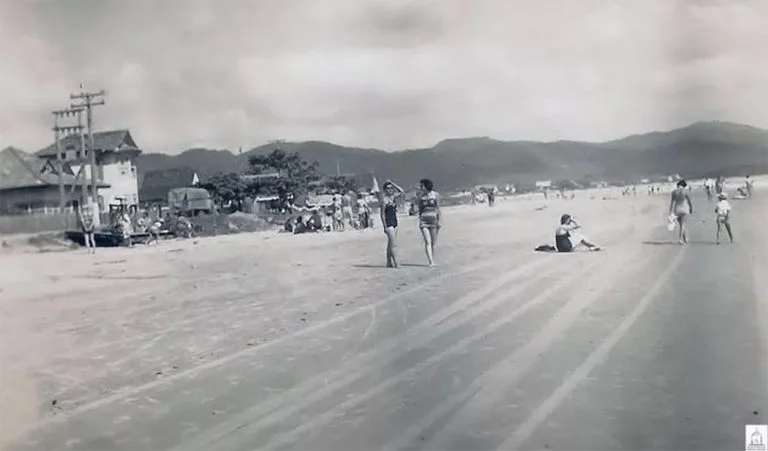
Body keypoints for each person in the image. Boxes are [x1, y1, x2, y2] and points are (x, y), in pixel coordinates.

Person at [375, 179, 405, 268]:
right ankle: (396, 263)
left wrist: (393, 183)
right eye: (388, 188)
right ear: (385, 190)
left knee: (391, 243)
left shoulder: (393, 198)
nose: (390, 190)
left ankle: (388, 262)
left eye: (391, 188)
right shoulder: (384, 200)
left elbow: (402, 192)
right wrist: (384, 226)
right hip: (388, 223)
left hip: (395, 221)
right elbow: (382, 213)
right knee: (394, 243)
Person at [417, 178, 441, 266]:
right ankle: (431, 261)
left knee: (433, 242)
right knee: (428, 241)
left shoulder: (435, 195)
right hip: (424, 221)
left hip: (434, 220)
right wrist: (420, 219)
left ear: (426, 186)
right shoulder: (420, 197)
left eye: (421, 186)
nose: (420, 188)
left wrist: (439, 221)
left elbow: (438, 208)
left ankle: (433, 260)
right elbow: (420, 209)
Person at [668, 179, 694, 244]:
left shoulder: (674, 192)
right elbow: (689, 201)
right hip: (684, 208)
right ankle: (680, 239)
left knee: (681, 225)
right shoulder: (685, 191)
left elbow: (672, 202)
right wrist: (691, 208)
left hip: (677, 209)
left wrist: (670, 211)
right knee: (683, 225)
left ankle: (684, 238)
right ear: (684, 185)